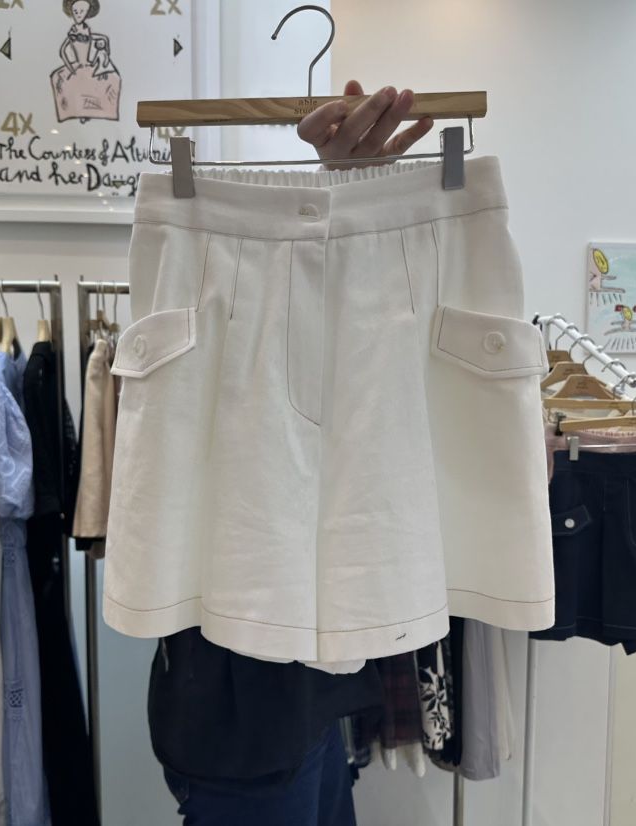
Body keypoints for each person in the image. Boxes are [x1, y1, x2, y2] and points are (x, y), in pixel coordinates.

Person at [150, 82, 434, 826]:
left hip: (303, 708)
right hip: (239, 722)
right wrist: (340, 194)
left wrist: (345, 193)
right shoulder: (197, 295)